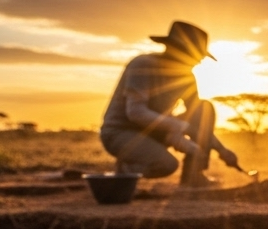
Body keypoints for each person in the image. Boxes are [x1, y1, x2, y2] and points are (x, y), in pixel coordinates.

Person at [99, 21, 239, 185]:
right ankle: (126, 171)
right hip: (121, 132)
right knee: (166, 165)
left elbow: (198, 118)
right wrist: (176, 127)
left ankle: (193, 174)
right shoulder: (143, 64)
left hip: (157, 132)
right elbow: (136, 113)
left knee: (203, 108)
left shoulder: (187, 77)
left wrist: (222, 150)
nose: (200, 61)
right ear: (177, 50)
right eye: (196, 54)